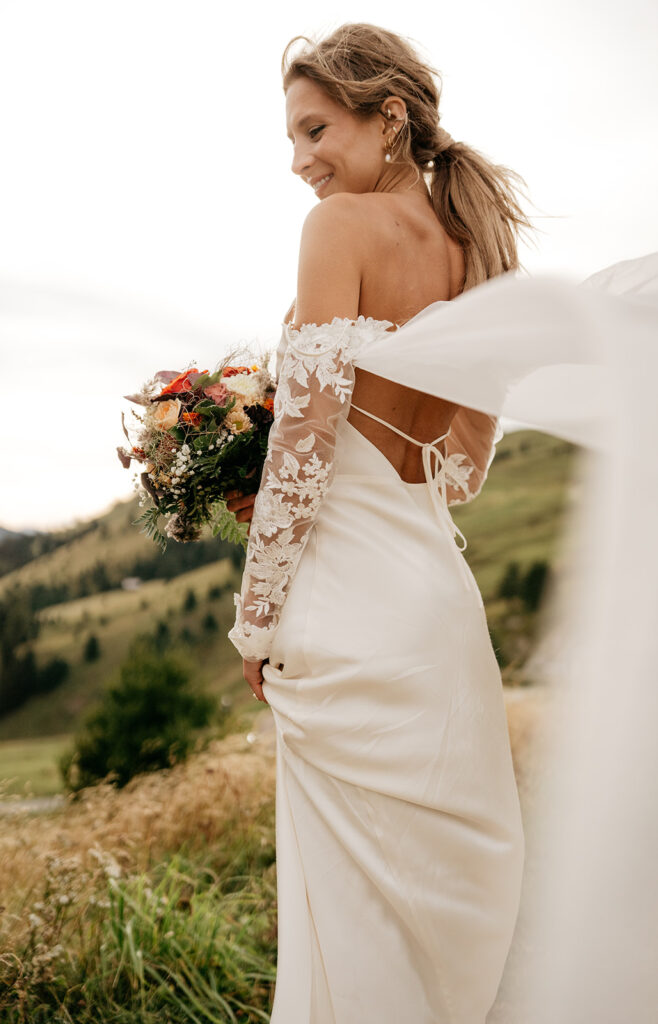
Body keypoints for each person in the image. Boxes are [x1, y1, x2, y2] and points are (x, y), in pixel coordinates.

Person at [225, 22, 658, 1024]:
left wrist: (255, 620)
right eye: (292, 140)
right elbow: (458, 469)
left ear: (388, 119)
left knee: (348, 901)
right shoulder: (477, 251)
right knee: (425, 896)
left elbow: (305, 437)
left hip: (347, 602)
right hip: (435, 605)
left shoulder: (336, 230)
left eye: (315, 130)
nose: (300, 163)